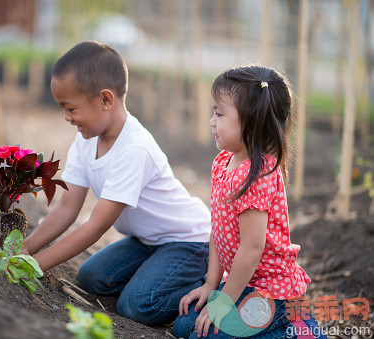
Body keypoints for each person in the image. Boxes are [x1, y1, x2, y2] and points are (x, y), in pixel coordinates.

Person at [21, 41, 212, 326]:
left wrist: (34, 266)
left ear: (106, 100)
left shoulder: (135, 148)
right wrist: (26, 249)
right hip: (147, 241)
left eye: (70, 108)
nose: (66, 117)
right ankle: (156, 275)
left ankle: (210, 284)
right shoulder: (86, 140)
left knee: (136, 306)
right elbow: (67, 207)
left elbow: (96, 226)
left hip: (187, 242)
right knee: (91, 277)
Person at [173, 65, 319, 338]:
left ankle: (298, 327)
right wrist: (211, 285)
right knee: (185, 326)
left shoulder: (257, 175)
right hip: (245, 283)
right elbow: (218, 229)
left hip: (271, 290)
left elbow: (252, 248)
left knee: (202, 334)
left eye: (219, 113)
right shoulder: (222, 163)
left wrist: (224, 302)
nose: (211, 121)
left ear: (251, 122)